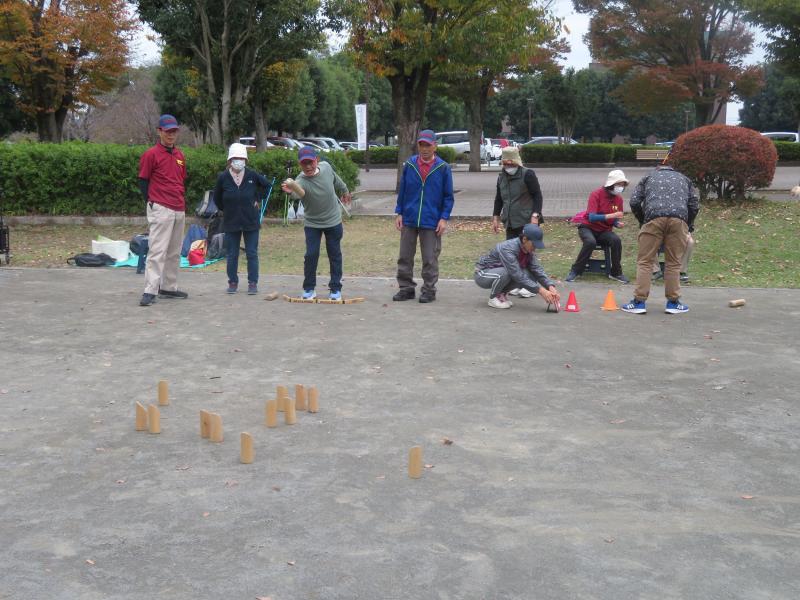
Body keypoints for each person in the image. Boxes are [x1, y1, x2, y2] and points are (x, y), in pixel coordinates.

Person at [622, 163, 699, 315]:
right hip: (679, 220)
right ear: (673, 169)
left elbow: (634, 202)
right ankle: (673, 303)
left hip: (653, 219)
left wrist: (643, 220)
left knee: (645, 261)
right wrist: (687, 224)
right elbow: (694, 205)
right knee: (674, 263)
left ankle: (639, 302)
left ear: (657, 169)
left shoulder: (648, 177)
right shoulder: (684, 179)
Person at [393, 129, 455, 304]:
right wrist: (399, 212)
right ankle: (406, 288)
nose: (425, 148)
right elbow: (403, 191)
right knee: (405, 256)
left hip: (431, 219)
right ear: (418, 146)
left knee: (430, 257)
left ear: (435, 146)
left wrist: (444, 218)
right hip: (409, 218)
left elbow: (448, 196)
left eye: (428, 145)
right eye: (422, 145)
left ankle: (429, 290)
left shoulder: (443, 168)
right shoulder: (410, 165)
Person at [281, 147, 351, 300]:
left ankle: (335, 289)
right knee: (311, 255)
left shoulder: (326, 168)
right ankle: (309, 289)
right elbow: (297, 193)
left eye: (310, 162)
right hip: (313, 223)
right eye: (304, 164)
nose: (308, 167)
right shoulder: (300, 180)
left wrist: (345, 190)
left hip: (333, 220)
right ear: (300, 165)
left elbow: (336, 179)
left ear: (316, 161)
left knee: (335, 254)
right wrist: (290, 189)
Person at [138, 114, 188, 307]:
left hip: (178, 207)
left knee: (174, 252)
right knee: (157, 250)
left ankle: (168, 286)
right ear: (159, 131)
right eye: (167, 131)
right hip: (161, 207)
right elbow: (143, 180)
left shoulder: (180, 155)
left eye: (174, 131)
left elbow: (180, 180)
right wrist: (152, 202)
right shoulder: (150, 154)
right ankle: (150, 289)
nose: (171, 135)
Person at [213, 143, 271, 295]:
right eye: (235, 158)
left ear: (245, 160)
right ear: (230, 160)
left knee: (252, 252)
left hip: (250, 220)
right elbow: (217, 197)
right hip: (231, 221)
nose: (238, 161)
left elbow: (267, 185)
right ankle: (232, 282)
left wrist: (257, 198)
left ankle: (253, 282)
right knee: (232, 253)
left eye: (241, 158)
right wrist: (225, 209)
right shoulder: (223, 177)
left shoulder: (252, 175)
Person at [492, 145, 544, 298]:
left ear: (517, 162)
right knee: (512, 254)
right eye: (506, 164)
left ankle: (530, 284)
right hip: (510, 221)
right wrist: (495, 217)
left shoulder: (528, 174)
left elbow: (538, 196)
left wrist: (535, 216)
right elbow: (498, 198)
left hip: (527, 221)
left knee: (528, 254)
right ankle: (516, 282)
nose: (509, 167)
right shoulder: (501, 177)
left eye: (511, 164)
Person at [474, 223, 560, 309]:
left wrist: (550, 286)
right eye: (533, 244)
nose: (535, 248)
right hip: (482, 274)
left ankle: (501, 295)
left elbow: (536, 269)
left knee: (526, 273)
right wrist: (541, 291)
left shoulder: (528, 250)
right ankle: (493, 298)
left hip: (499, 272)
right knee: (508, 273)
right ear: (524, 239)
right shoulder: (508, 248)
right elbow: (516, 274)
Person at [565, 169, 629, 284]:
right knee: (590, 242)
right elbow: (592, 217)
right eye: (619, 184)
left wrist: (616, 223)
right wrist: (613, 215)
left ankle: (616, 273)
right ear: (611, 184)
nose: (621, 187)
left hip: (604, 231)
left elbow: (613, 219)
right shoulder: (596, 194)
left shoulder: (619, 199)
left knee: (616, 240)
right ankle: (575, 271)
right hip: (587, 228)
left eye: (623, 185)